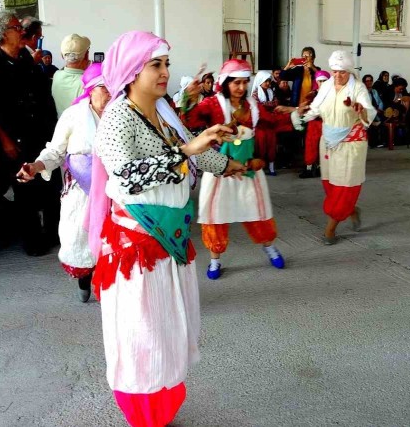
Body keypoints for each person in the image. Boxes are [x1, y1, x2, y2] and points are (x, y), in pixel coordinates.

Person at [89, 30, 244, 427]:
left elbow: (189, 150)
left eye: (166, 64)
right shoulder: (117, 118)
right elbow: (127, 177)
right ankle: (144, 415)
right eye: (155, 65)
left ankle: (160, 408)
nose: (164, 72)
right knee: (144, 335)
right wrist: (187, 151)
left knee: (167, 329)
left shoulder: (161, 112)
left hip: (169, 239)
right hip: (138, 245)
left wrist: (224, 163)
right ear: (131, 70)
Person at [184, 59, 286, 279]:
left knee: (258, 212)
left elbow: (272, 123)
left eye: (244, 82)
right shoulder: (212, 104)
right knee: (215, 217)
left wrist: (296, 113)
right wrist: (189, 98)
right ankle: (214, 261)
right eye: (235, 83)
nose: (241, 88)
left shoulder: (253, 105)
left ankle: (269, 247)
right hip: (220, 170)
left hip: (249, 169)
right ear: (226, 83)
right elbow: (190, 121)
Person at [15, 63, 108, 302]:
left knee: (112, 240)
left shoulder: (120, 114)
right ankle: (84, 280)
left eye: (113, 87)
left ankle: (107, 284)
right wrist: (35, 166)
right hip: (80, 192)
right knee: (80, 238)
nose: (109, 92)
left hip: (112, 189)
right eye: (103, 87)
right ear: (89, 89)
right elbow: (55, 151)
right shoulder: (73, 116)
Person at [0, 10, 60, 256]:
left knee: (50, 184)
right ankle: (33, 241)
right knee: (25, 190)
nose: (22, 31)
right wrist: (4, 139)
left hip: (41, 133)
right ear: (3, 34)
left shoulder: (25, 57)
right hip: (15, 137)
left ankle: (53, 233)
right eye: (16, 27)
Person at [300, 50, 375, 245]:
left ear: (349, 71)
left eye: (342, 72)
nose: (338, 76)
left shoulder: (358, 88)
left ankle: (330, 229)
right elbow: (314, 109)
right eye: (334, 71)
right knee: (331, 186)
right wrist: (296, 113)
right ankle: (351, 210)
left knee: (344, 189)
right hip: (328, 143)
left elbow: (369, 112)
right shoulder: (325, 88)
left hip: (352, 144)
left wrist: (361, 110)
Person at [250, 69, 297, 176]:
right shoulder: (255, 93)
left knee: (272, 144)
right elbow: (258, 106)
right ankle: (261, 167)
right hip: (261, 124)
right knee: (261, 145)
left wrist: (266, 105)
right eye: (265, 81)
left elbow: (276, 103)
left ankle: (271, 167)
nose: (268, 83)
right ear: (260, 81)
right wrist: (268, 105)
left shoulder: (271, 91)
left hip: (270, 124)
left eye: (268, 81)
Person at [52, 34, 91, 117]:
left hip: (60, 127)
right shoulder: (88, 82)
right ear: (86, 55)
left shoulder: (57, 75)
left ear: (62, 56)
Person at [300, 70, 330, 177]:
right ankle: (309, 167)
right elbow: (304, 107)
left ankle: (321, 167)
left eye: (324, 81)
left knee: (325, 146)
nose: (322, 83)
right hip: (314, 123)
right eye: (320, 81)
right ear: (316, 82)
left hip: (326, 123)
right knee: (311, 145)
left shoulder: (333, 94)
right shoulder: (312, 94)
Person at [363, 73, 385, 148]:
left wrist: (380, 109)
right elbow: (365, 104)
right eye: (367, 81)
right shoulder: (363, 92)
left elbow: (380, 102)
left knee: (385, 120)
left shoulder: (374, 91)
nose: (369, 82)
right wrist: (374, 110)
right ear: (364, 82)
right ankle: (373, 143)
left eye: (370, 81)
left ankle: (382, 141)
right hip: (368, 113)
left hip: (377, 112)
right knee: (372, 122)